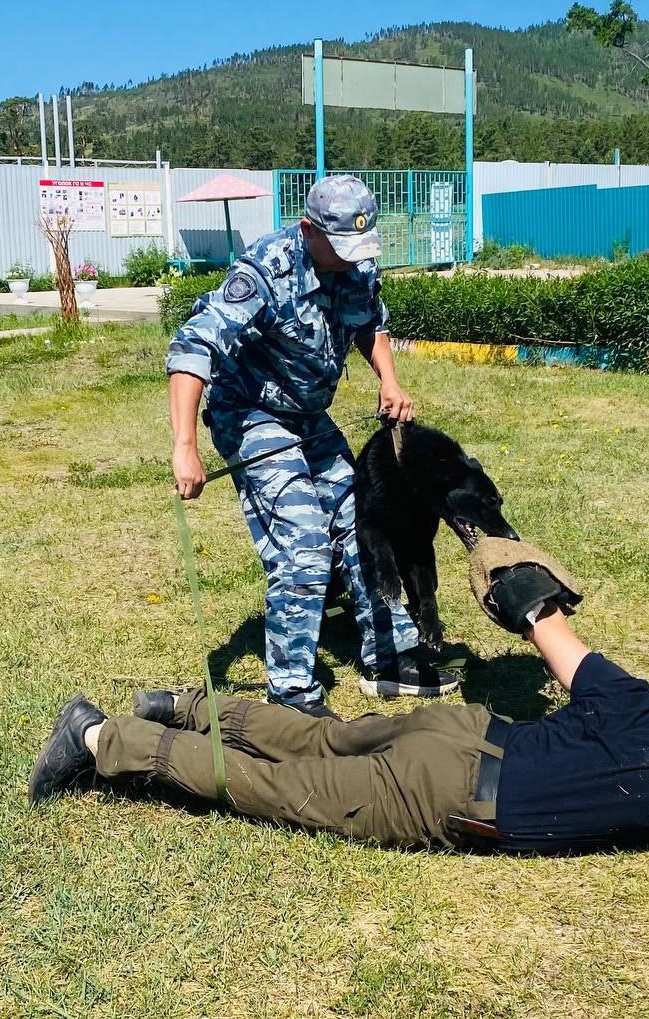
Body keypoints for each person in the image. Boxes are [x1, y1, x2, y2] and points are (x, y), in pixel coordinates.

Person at [28, 550, 649, 886]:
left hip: (458, 728)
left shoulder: (631, 696)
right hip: (452, 792)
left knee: (318, 733)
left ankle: (178, 705)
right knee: (279, 787)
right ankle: (102, 738)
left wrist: (500, 557)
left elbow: (546, 622)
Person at [166, 174, 456, 718]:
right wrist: (185, 445)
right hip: (251, 412)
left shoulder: (356, 263)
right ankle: (292, 691)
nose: (353, 258)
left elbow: (370, 324)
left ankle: (388, 655)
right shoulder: (264, 272)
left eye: (360, 245)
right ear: (308, 230)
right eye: (341, 245)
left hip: (307, 415)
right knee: (304, 541)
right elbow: (192, 347)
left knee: (362, 519)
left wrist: (389, 381)